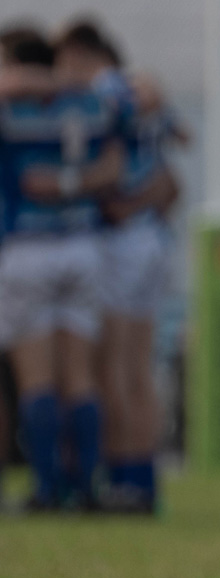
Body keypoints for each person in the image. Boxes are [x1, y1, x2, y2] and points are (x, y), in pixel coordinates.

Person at [56, 20, 184, 512]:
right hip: (151, 237)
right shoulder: (139, 87)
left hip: (120, 240)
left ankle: (123, 479)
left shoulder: (107, 90)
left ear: (81, 54)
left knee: (110, 367)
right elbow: (179, 133)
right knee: (137, 369)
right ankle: (143, 480)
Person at [0, 25, 128, 510]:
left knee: (38, 380)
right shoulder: (92, 104)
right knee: (80, 377)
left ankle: (48, 488)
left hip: (29, 246)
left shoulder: (14, 107)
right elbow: (116, 157)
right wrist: (75, 183)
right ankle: (88, 488)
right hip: (82, 244)